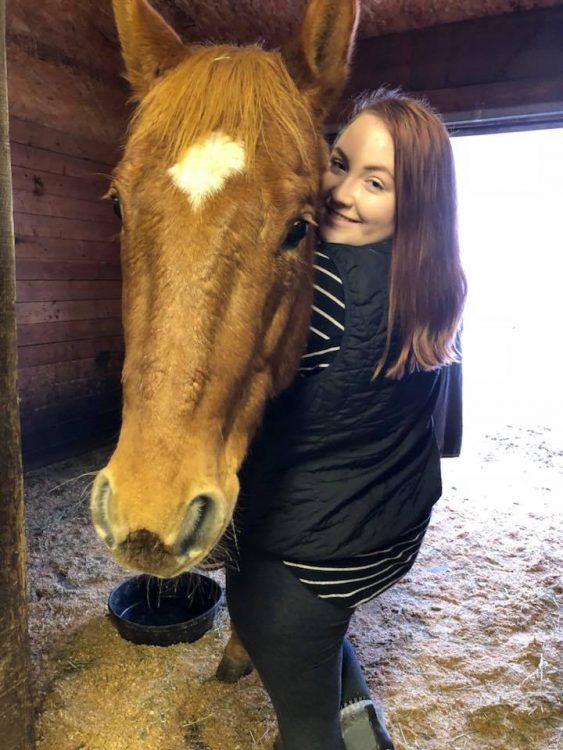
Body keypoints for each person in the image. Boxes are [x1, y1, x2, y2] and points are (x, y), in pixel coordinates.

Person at [225, 88, 467, 750]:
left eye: (375, 182)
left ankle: (343, 731)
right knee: (321, 634)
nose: (340, 192)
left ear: (414, 201)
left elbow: (243, 418)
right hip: (383, 532)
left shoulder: (322, 285)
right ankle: (363, 727)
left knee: (303, 722)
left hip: (304, 554)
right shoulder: (436, 285)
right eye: (338, 162)